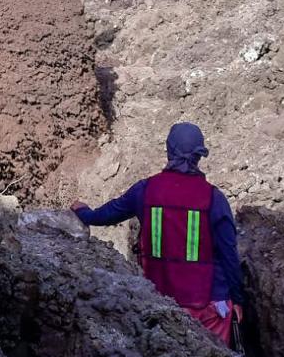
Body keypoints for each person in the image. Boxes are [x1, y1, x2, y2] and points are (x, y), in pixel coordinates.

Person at [71, 123, 246, 345]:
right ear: (199, 155)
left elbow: (105, 216)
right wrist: (238, 299)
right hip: (209, 307)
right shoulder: (214, 199)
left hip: (160, 306)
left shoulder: (145, 190)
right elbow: (228, 254)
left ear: (168, 151)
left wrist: (83, 212)